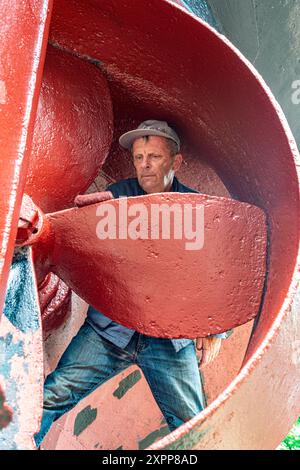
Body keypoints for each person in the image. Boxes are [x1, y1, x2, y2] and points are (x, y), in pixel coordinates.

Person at [34, 120, 232, 448]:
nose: (144, 164)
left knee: (192, 427)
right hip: (110, 332)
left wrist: (217, 331)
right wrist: (81, 221)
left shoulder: (198, 210)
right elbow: (85, 240)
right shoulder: (119, 197)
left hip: (168, 342)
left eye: (153, 156)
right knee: (50, 397)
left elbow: (221, 274)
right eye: (139, 157)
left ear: (176, 162)